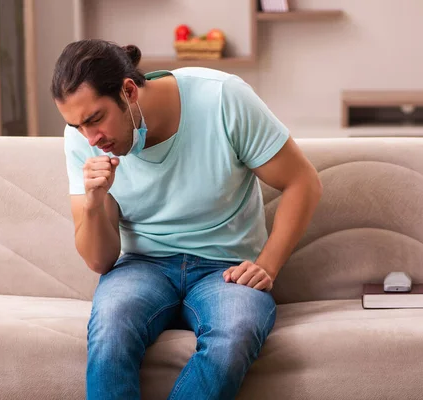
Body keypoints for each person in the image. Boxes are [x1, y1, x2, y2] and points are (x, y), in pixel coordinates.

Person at [51, 39, 322, 400]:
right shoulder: (83, 140)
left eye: (95, 119)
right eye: (76, 126)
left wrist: (267, 265)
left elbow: (302, 181)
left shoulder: (222, 98)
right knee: (110, 331)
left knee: (236, 332)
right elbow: (99, 260)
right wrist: (94, 202)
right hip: (140, 266)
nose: (91, 138)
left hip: (225, 266)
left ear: (128, 91)